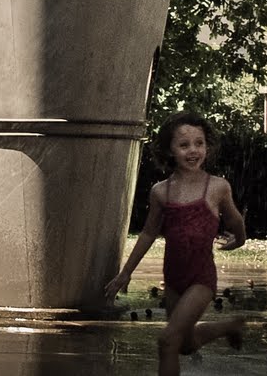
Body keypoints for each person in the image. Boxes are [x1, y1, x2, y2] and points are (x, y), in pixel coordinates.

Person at [104, 111, 247, 375]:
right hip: (173, 279)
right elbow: (148, 233)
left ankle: (227, 326)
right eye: (184, 145)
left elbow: (235, 220)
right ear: (170, 149)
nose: (193, 150)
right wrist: (126, 272)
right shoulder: (161, 192)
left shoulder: (217, 187)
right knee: (185, 345)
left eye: (199, 143)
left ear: (207, 146)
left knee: (167, 341)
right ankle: (229, 326)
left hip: (201, 279)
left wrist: (240, 239)